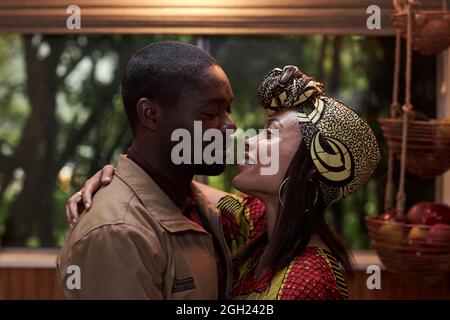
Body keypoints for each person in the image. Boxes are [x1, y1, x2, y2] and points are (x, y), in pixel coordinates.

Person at [66, 66, 380, 300]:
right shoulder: (255, 222)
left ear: (310, 172)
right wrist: (116, 176)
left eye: (269, 135)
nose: (247, 140)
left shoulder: (310, 279)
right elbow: (161, 184)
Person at [57, 41, 236, 299]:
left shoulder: (196, 203)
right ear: (150, 114)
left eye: (227, 110)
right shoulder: (118, 232)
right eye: (210, 113)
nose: (230, 126)